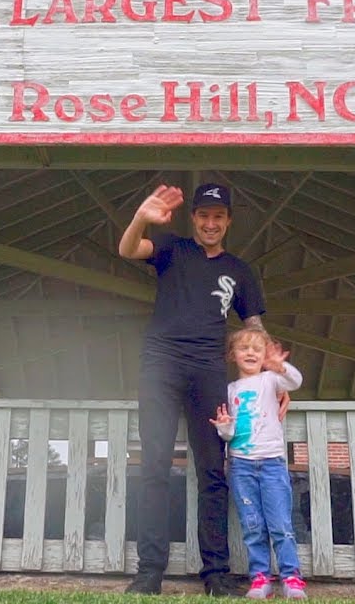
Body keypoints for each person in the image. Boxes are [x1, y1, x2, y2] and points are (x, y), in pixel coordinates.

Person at [118, 182, 267, 597]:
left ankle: (216, 574)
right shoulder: (173, 248)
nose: (210, 223)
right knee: (154, 467)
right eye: (203, 215)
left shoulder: (239, 270)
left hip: (208, 370)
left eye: (218, 216)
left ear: (228, 221)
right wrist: (140, 219)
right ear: (194, 218)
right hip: (161, 364)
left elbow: (254, 327)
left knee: (213, 472)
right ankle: (149, 572)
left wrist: (272, 376)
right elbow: (129, 250)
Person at [211, 330, 307, 600]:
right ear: (233, 355)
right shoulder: (230, 390)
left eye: (257, 349)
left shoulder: (270, 380)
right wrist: (223, 427)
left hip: (271, 464)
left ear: (265, 355)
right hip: (241, 466)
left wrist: (280, 366)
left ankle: (291, 578)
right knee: (252, 526)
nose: (251, 353)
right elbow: (229, 435)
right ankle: (260, 578)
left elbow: (295, 381)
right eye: (244, 348)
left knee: (280, 524)